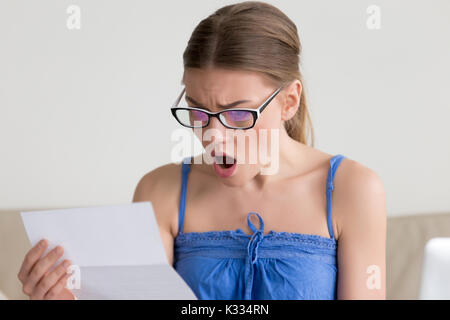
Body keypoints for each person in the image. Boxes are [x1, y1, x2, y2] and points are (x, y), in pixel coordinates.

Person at [17, 1, 386, 300]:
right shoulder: (160, 192)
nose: (214, 137)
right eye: (198, 111)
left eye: (238, 113)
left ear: (289, 101)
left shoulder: (352, 190)